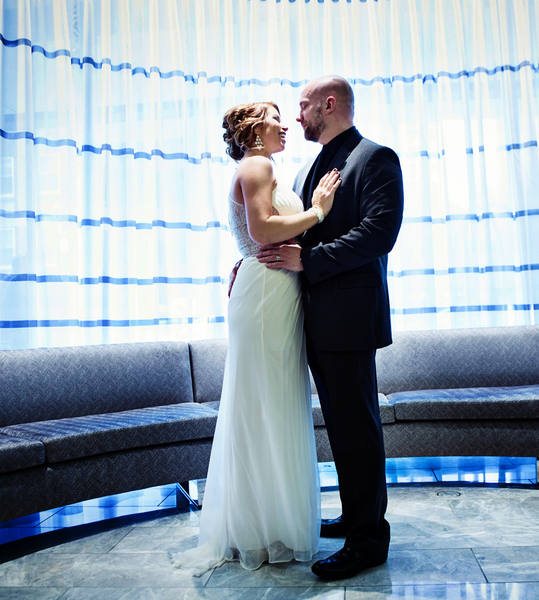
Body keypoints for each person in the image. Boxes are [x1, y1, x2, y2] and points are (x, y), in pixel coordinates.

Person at [170, 101, 341, 576]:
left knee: (272, 403)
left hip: (272, 289)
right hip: (266, 294)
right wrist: (318, 212)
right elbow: (262, 228)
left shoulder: (264, 168)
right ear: (252, 128)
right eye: (274, 116)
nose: (285, 124)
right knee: (265, 404)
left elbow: (258, 236)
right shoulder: (257, 163)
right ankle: (262, 529)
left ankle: (268, 524)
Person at [256, 76, 405, 580]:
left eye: (302, 107)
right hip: (315, 320)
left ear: (329, 103)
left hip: (350, 318)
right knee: (341, 427)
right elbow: (296, 228)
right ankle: (354, 516)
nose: (296, 117)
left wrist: (309, 262)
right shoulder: (306, 168)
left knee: (357, 428)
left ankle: (369, 541)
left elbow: (378, 234)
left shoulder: (375, 158)